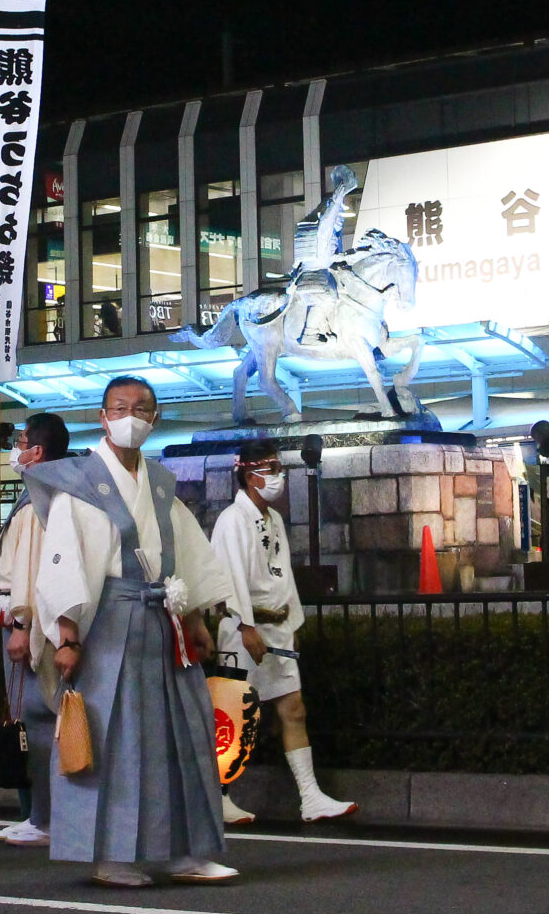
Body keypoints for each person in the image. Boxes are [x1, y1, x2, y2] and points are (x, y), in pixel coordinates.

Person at [28, 375, 240, 888]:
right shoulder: (79, 484)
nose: (131, 417)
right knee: (115, 740)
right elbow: (64, 561)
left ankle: (184, 850)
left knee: (180, 735)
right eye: (120, 407)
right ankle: (112, 855)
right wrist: (67, 636)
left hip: (163, 622)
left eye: (141, 408)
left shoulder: (160, 483)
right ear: (102, 417)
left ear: (155, 418)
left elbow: (183, 553)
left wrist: (195, 618)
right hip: (108, 625)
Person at [211, 437, 354, 823]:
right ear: (250, 476)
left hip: (276, 628)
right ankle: (217, 796)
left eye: (279, 468)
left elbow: (284, 577)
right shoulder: (232, 520)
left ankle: (310, 797)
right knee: (236, 716)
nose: (279, 477)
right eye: (271, 469)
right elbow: (228, 577)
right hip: (244, 630)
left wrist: (292, 624)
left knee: (293, 708)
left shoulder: (273, 519)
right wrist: (245, 626)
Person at [0, 412, 69, 847]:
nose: (14, 449)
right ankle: (41, 814)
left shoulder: (41, 495)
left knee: (36, 716)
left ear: (36, 451)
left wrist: (21, 623)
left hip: (29, 620)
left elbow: (32, 568)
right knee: (35, 715)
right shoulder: (48, 490)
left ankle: (43, 817)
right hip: (29, 616)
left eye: (19, 442)